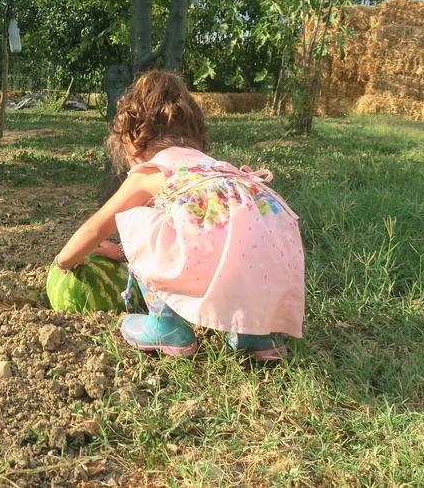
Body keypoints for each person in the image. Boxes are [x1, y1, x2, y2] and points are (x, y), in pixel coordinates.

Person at [53, 71, 304, 360]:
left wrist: (65, 260)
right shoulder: (212, 167)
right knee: (243, 242)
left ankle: (167, 326)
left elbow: (94, 229)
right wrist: (122, 254)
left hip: (238, 243)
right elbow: (215, 241)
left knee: (141, 217)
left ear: (133, 138)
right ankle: (260, 338)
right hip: (275, 240)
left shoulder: (151, 172)